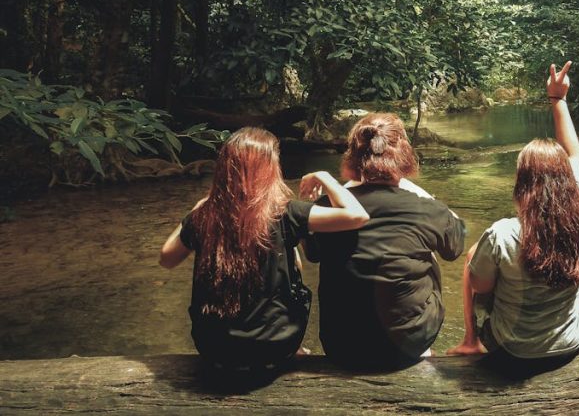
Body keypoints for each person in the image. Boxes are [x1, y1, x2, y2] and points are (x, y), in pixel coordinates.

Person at [159, 127, 370, 370]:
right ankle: (293, 348)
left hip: (213, 348)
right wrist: (326, 177)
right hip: (274, 347)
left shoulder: (204, 215)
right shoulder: (285, 212)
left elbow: (167, 259)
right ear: (270, 169)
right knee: (290, 252)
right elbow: (357, 216)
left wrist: (196, 210)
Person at [447, 61, 579, 375]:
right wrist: (559, 100)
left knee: (476, 257)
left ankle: (470, 340)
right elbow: (573, 155)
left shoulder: (504, 233)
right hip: (571, 344)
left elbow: (479, 285)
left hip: (512, 351)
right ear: (565, 180)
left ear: (523, 184)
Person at [308, 113, 466, 371]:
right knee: (428, 251)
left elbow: (313, 254)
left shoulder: (329, 206)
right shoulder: (426, 208)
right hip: (408, 345)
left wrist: (330, 197)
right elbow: (455, 248)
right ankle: (418, 343)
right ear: (403, 155)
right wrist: (422, 194)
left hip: (341, 346)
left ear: (353, 157)